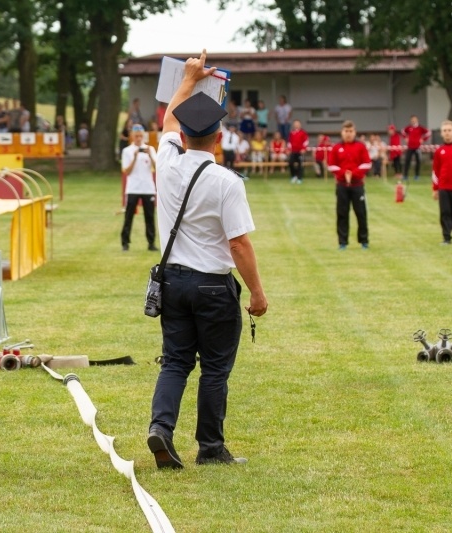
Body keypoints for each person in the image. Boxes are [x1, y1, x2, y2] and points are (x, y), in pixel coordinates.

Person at [148, 49, 268, 469]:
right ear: (218, 137)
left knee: (176, 361)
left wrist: (187, 78)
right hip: (214, 286)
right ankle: (211, 448)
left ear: (182, 137)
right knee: (214, 369)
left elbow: (168, 119)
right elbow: (238, 245)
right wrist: (257, 292)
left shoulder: (166, 162)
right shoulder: (226, 182)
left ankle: (161, 429)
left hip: (173, 283)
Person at [328, 120, 372, 250]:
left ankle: (364, 241)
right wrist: (343, 174)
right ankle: (342, 242)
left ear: (355, 132)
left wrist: (353, 174)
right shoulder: (336, 147)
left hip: (357, 185)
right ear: (342, 132)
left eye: (351, 131)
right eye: (346, 131)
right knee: (342, 213)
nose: (348, 134)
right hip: (342, 186)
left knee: (361, 213)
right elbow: (331, 165)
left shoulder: (360, 147)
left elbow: (367, 163)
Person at [120, 124, 158, 252]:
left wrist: (150, 156)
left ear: (144, 136)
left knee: (150, 217)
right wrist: (135, 157)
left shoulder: (150, 149)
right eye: (136, 136)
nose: (138, 138)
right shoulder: (127, 151)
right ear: (132, 136)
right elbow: (128, 171)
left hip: (148, 188)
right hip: (133, 188)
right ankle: (125, 243)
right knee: (129, 216)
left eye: (140, 136)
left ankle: (151, 243)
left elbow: (156, 168)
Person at [402, 115, 430, 181]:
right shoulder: (409, 128)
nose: (413, 121)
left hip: (417, 147)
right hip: (410, 147)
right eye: (412, 120)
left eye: (414, 120)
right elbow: (402, 131)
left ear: (417, 120)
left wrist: (423, 139)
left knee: (418, 162)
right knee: (407, 161)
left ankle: (417, 176)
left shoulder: (420, 128)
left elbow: (428, 132)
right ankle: (405, 176)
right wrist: (405, 138)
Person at [288, 119, 308, 184]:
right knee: (290, 163)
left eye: (298, 124)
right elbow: (289, 142)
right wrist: (289, 149)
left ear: (300, 125)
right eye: (295, 124)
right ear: (293, 125)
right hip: (293, 151)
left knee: (300, 164)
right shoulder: (291, 133)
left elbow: (306, 142)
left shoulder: (303, 133)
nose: (296, 125)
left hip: (300, 152)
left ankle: (299, 178)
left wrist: (304, 149)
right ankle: (294, 176)